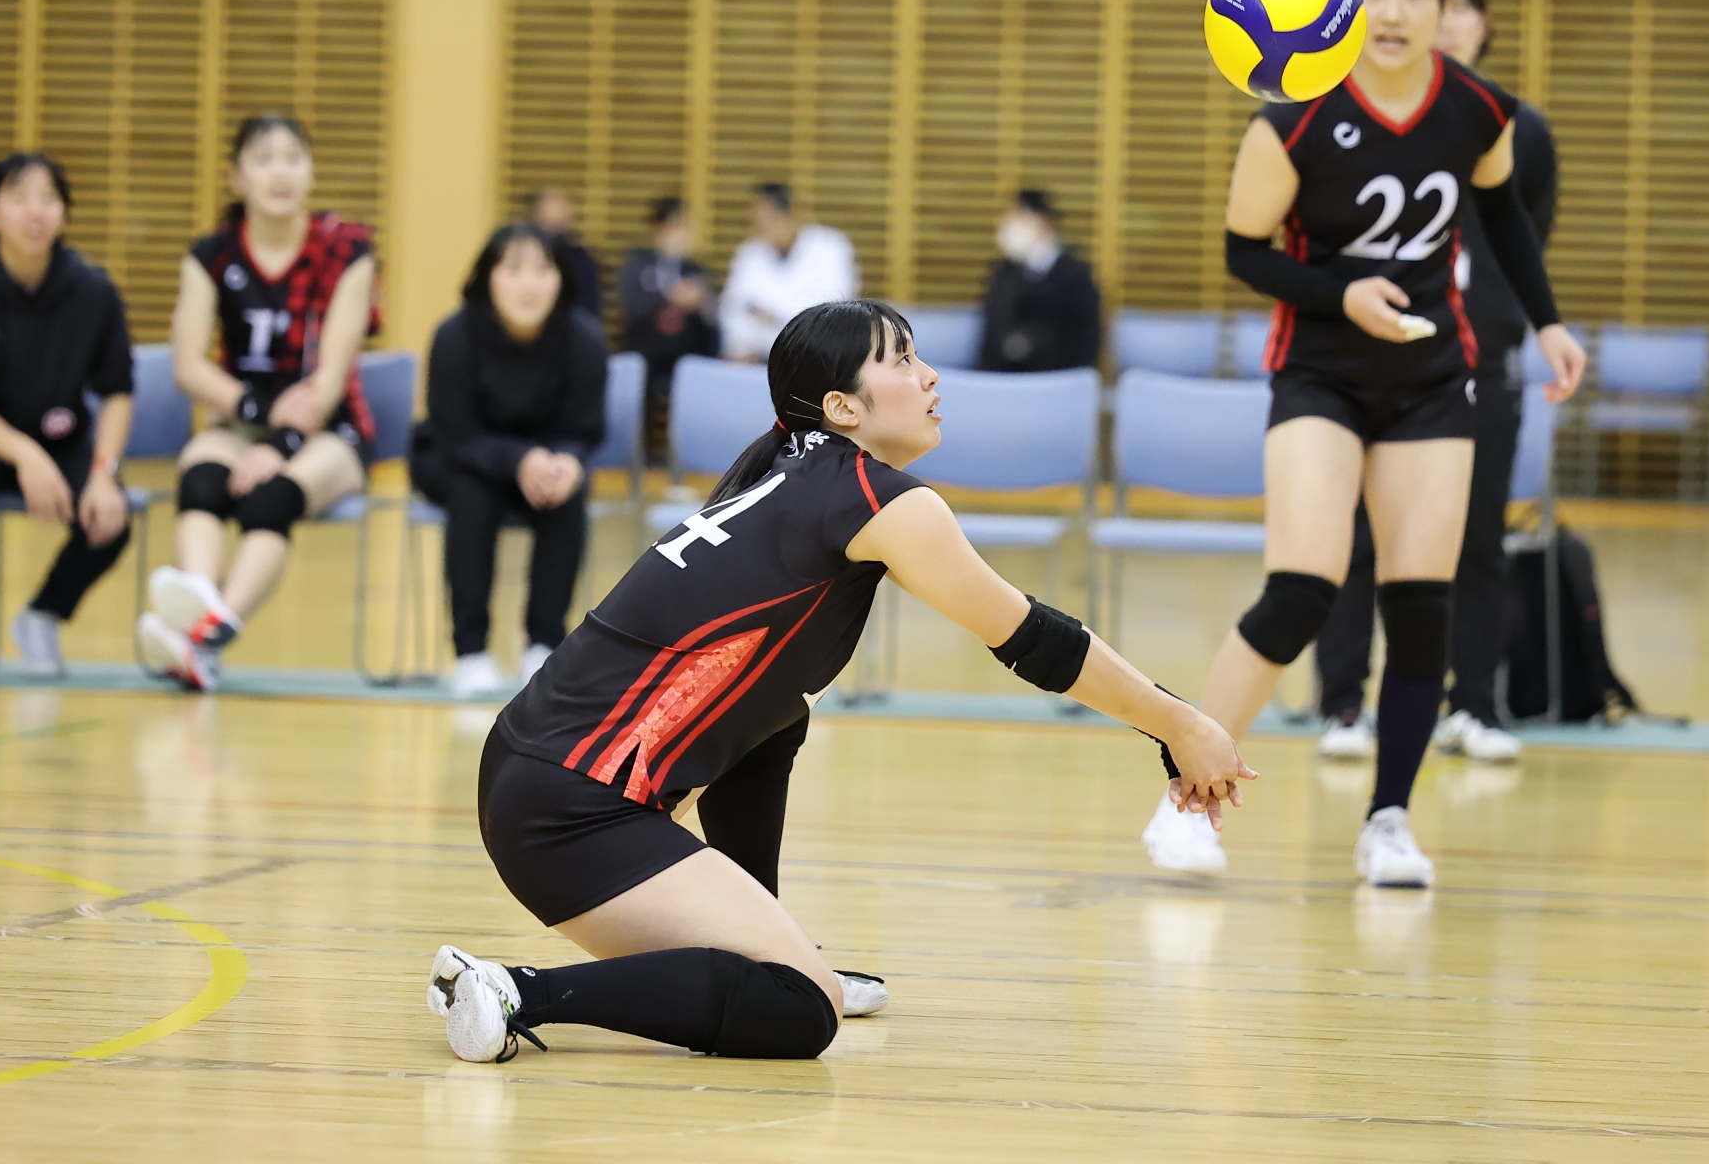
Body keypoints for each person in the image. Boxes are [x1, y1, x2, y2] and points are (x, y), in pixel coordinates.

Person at [426, 301, 1250, 1064]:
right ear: (843, 408)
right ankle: (517, 991)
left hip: (530, 779)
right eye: (903, 361)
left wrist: (768, 931)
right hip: (574, 808)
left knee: (781, 803)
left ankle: (767, 954)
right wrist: (1179, 722)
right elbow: (1032, 637)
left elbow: (757, 745)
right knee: (800, 1010)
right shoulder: (874, 501)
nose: (930, 377)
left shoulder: (786, 475)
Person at [1140, 0, 1584, 888]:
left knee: (1421, 605)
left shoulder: (1478, 110)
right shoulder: (1293, 117)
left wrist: (1548, 322)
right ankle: (1186, 799)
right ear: (1343, 2)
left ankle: (1389, 822)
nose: (1394, 11)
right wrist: (1343, 295)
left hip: (1432, 382)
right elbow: (1245, 250)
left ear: (1445, 9)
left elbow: (1504, 216)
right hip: (1322, 376)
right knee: (1302, 586)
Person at [1314, 0, 1558, 765]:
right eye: (1426, 1)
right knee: (1355, 537)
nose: (1442, 20)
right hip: (1367, 359)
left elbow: (1523, 244)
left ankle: (1473, 705)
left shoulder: (1518, 130)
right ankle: (1343, 705)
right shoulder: (1349, 121)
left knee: (1477, 537)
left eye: (1457, 7)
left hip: (1476, 363)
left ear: (1483, 26)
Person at [140, 114, 379, 692]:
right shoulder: (212, 255)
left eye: (294, 158)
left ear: (311, 173)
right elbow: (188, 366)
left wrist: (282, 445)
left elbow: (330, 376)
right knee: (201, 480)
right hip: (244, 420)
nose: (281, 172)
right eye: (264, 158)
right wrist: (259, 414)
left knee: (272, 498)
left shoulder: (347, 250)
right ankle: (201, 610)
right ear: (236, 176)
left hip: (330, 430)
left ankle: (201, 638)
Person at [0, 153, 135, 686]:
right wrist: (24, 454)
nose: (35, 211)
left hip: (60, 440)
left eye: (49, 199)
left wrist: (103, 472)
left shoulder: (93, 291)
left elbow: (117, 391)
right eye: (18, 198)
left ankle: (43, 614)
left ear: (64, 215)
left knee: (111, 516)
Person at [411, 224, 606, 700]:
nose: (528, 285)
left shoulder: (583, 339)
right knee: (473, 491)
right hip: (461, 459)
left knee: (566, 495)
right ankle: (470, 652)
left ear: (561, 280)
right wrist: (519, 460)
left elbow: (584, 429)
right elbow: (455, 432)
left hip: (544, 466)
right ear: (486, 277)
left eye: (543, 270)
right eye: (514, 270)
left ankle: (543, 645)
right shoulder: (454, 335)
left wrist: (570, 463)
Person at [719, 184, 857, 363]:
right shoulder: (749, 253)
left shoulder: (831, 248)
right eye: (758, 223)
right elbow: (732, 311)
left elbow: (830, 312)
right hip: (757, 357)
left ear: (791, 216)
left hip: (815, 357)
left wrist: (772, 315)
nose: (764, 228)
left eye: (770, 220)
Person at [976, 189, 1101, 373]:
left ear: (1042, 222)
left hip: (1058, 377)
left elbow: (1086, 339)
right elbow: (991, 334)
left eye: (1020, 218)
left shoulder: (1074, 275)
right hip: (1006, 378)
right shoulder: (1005, 273)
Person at [616, 196, 718, 409]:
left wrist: (700, 301)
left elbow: (712, 315)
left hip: (688, 348)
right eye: (675, 225)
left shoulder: (694, 269)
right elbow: (632, 305)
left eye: (684, 226)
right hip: (649, 346)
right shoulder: (638, 263)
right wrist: (670, 294)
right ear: (659, 228)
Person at [529, 186, 601, 316]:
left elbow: (590, 309)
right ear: (537, 213)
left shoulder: (581, 259)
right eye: (551, 205)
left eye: (560, 207)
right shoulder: (525, 255)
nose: (555, 212)